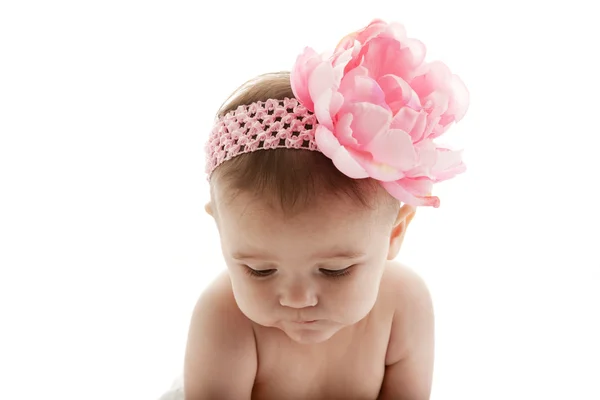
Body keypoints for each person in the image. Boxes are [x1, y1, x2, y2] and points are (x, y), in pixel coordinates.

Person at [183, 19, 469, 400]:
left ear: (394, 234)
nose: (297, 299)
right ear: (221, 232)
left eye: (335, 271)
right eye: (259, 270)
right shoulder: (224, 316)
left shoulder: (404, 305)